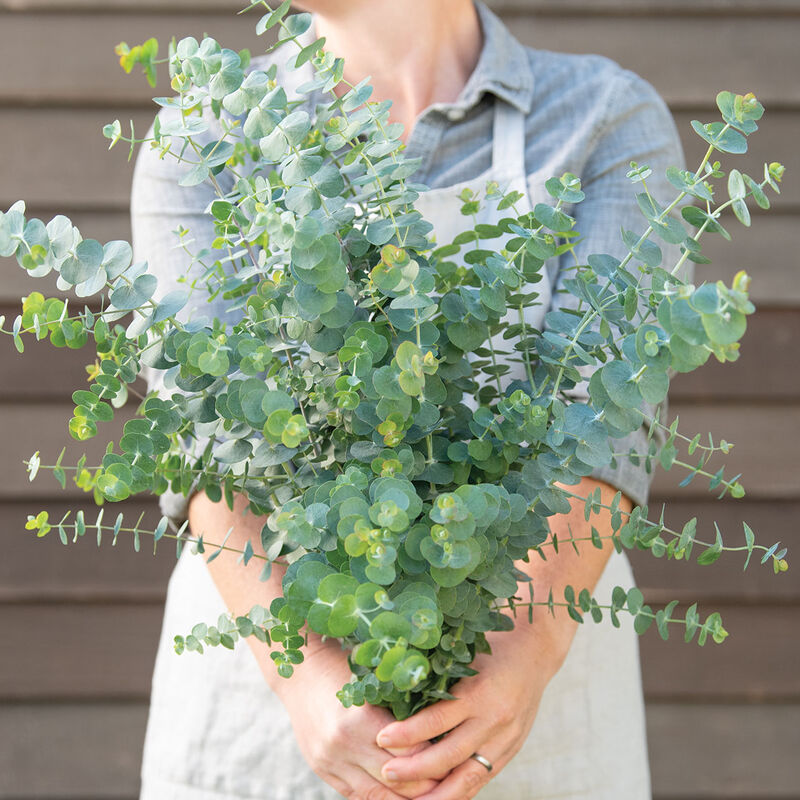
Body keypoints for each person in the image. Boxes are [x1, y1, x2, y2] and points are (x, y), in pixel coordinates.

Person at [131, 1, 685, 797]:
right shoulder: (207, 130)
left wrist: (520, 656)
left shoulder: (603, 119)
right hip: (271, 697)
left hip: (530, 694)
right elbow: (209, 442)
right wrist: (309, 679)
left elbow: (604, 423)